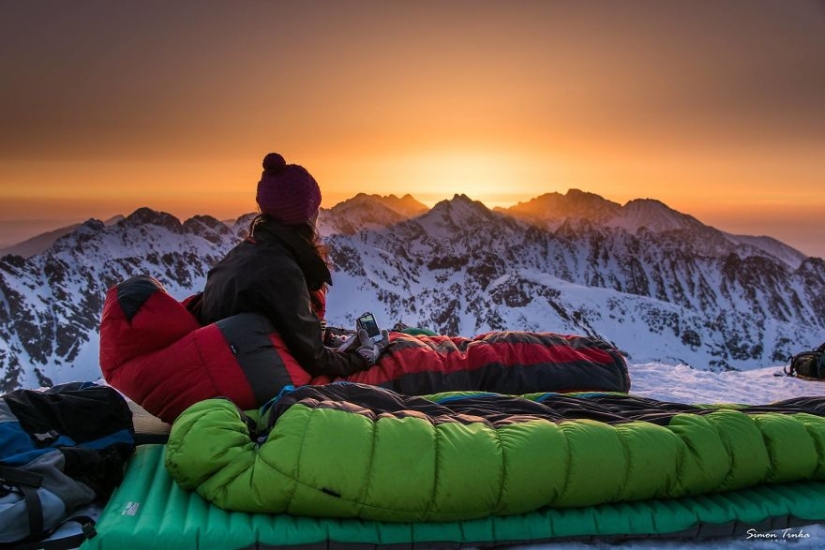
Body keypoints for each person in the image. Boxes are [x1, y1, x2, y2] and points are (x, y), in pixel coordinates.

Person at [195, 152, 385, 377]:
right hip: (246, 376)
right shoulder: (281, 271)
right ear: (306, 216)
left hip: (226, 363)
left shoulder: (244, 252)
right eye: (316, 209)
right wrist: (362, 357)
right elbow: (315, 359)